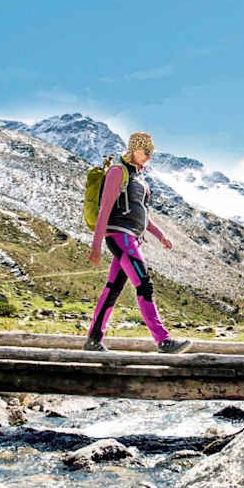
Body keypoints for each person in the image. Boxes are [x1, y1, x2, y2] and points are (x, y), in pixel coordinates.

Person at [84, 132, 190, 353]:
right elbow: (104, 210)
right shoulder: (117, 172)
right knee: (144, 284)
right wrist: (95, 245)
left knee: (113, 288)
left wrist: (160, 235)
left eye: (152, 152)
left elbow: (143, 214)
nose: (149, 157)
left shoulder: (138, 178)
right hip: (119, 237)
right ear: (134, 149)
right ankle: (162, 340)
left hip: (132, 238)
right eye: (146, 152)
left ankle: (93, 339)